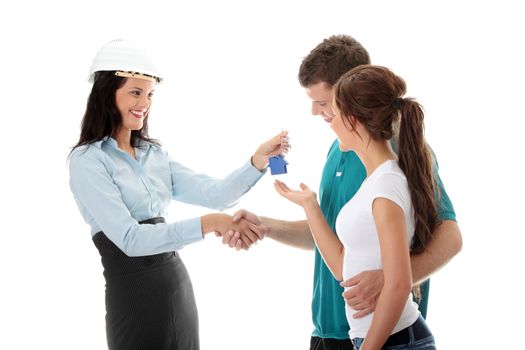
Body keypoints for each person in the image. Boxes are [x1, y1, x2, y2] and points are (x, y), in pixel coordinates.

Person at [225, 35, 461, 349]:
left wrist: (392, 279)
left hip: (384, 332)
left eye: (323, 103)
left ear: (355, 92)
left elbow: (450, 236)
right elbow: (341, 237)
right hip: (332, 329)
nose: (315, 112)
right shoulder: (339, 150)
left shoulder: (399, 152)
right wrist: (266, 226)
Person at [68, 39, 289, 350]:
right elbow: (130, 240)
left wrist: (258, 161)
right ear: (107, 93)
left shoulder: (153, 154)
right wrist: (212, 223)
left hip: (176, 286)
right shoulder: (87, 161)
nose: (144, 102)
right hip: (133, 295)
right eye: (135, 92)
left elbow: (217, 194)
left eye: (149, 94)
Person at [276, 64, 438, 349]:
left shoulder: (386, 187)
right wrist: (310, 206)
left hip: (396, 342)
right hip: (376, 339)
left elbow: (399, 285)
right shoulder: (374, 182)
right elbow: (343, 270)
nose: (330, 121)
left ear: (353, 120)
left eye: (335, 113)